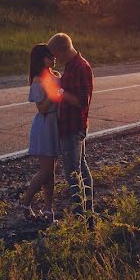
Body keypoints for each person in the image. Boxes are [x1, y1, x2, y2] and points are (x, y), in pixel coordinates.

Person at [47, 32, 95, 229]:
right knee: (81, 169)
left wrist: (59, 92)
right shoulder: (71, 67)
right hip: (70, 126)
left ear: (63, 50)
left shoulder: (81, 68)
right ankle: (88, 216)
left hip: (73, 127)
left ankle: (81, 220)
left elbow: (82, 102)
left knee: (73, 174)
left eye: (56, 55)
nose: (55, 59)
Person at [19, 43, 63, 219]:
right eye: (49, 55)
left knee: (51, 171)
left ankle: (48, 208)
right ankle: (25, 202)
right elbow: (42, 109)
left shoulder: (56, 75)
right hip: (45, 124)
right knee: (45, 171)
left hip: (57, 123)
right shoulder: (38, 80)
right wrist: (56, 95)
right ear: (41, 59)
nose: (54, 58)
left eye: (53, 55)